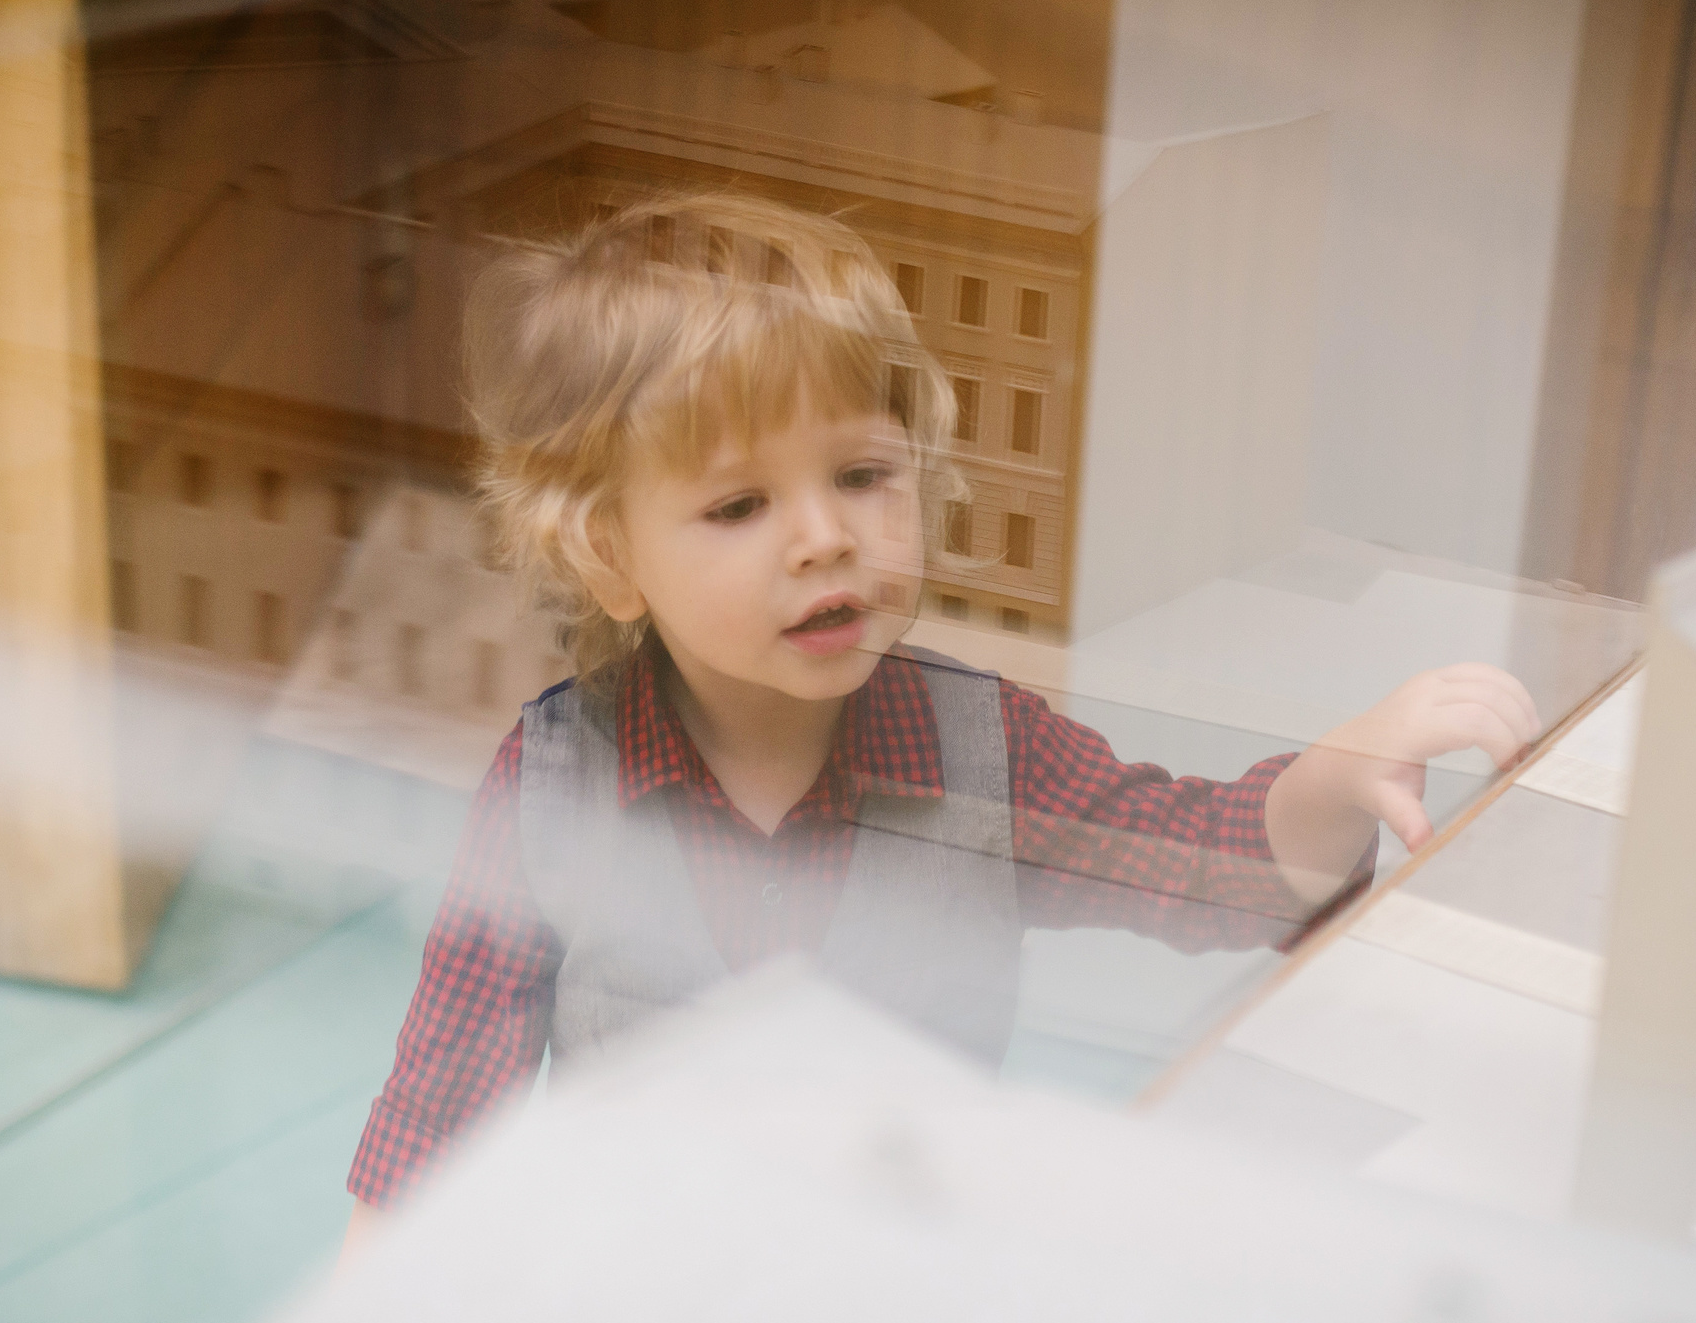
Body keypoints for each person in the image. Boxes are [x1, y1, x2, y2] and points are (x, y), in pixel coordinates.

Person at [342, 190, 1536, 1253]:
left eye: (863, 474)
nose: (824, 536)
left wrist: (1335, 771)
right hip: (653, 1320)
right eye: (740, 502)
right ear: (610, 556)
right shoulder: (551, 786)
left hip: (909, 1299)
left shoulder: (985, 750)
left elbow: (1208, 866)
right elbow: (437, 1131)